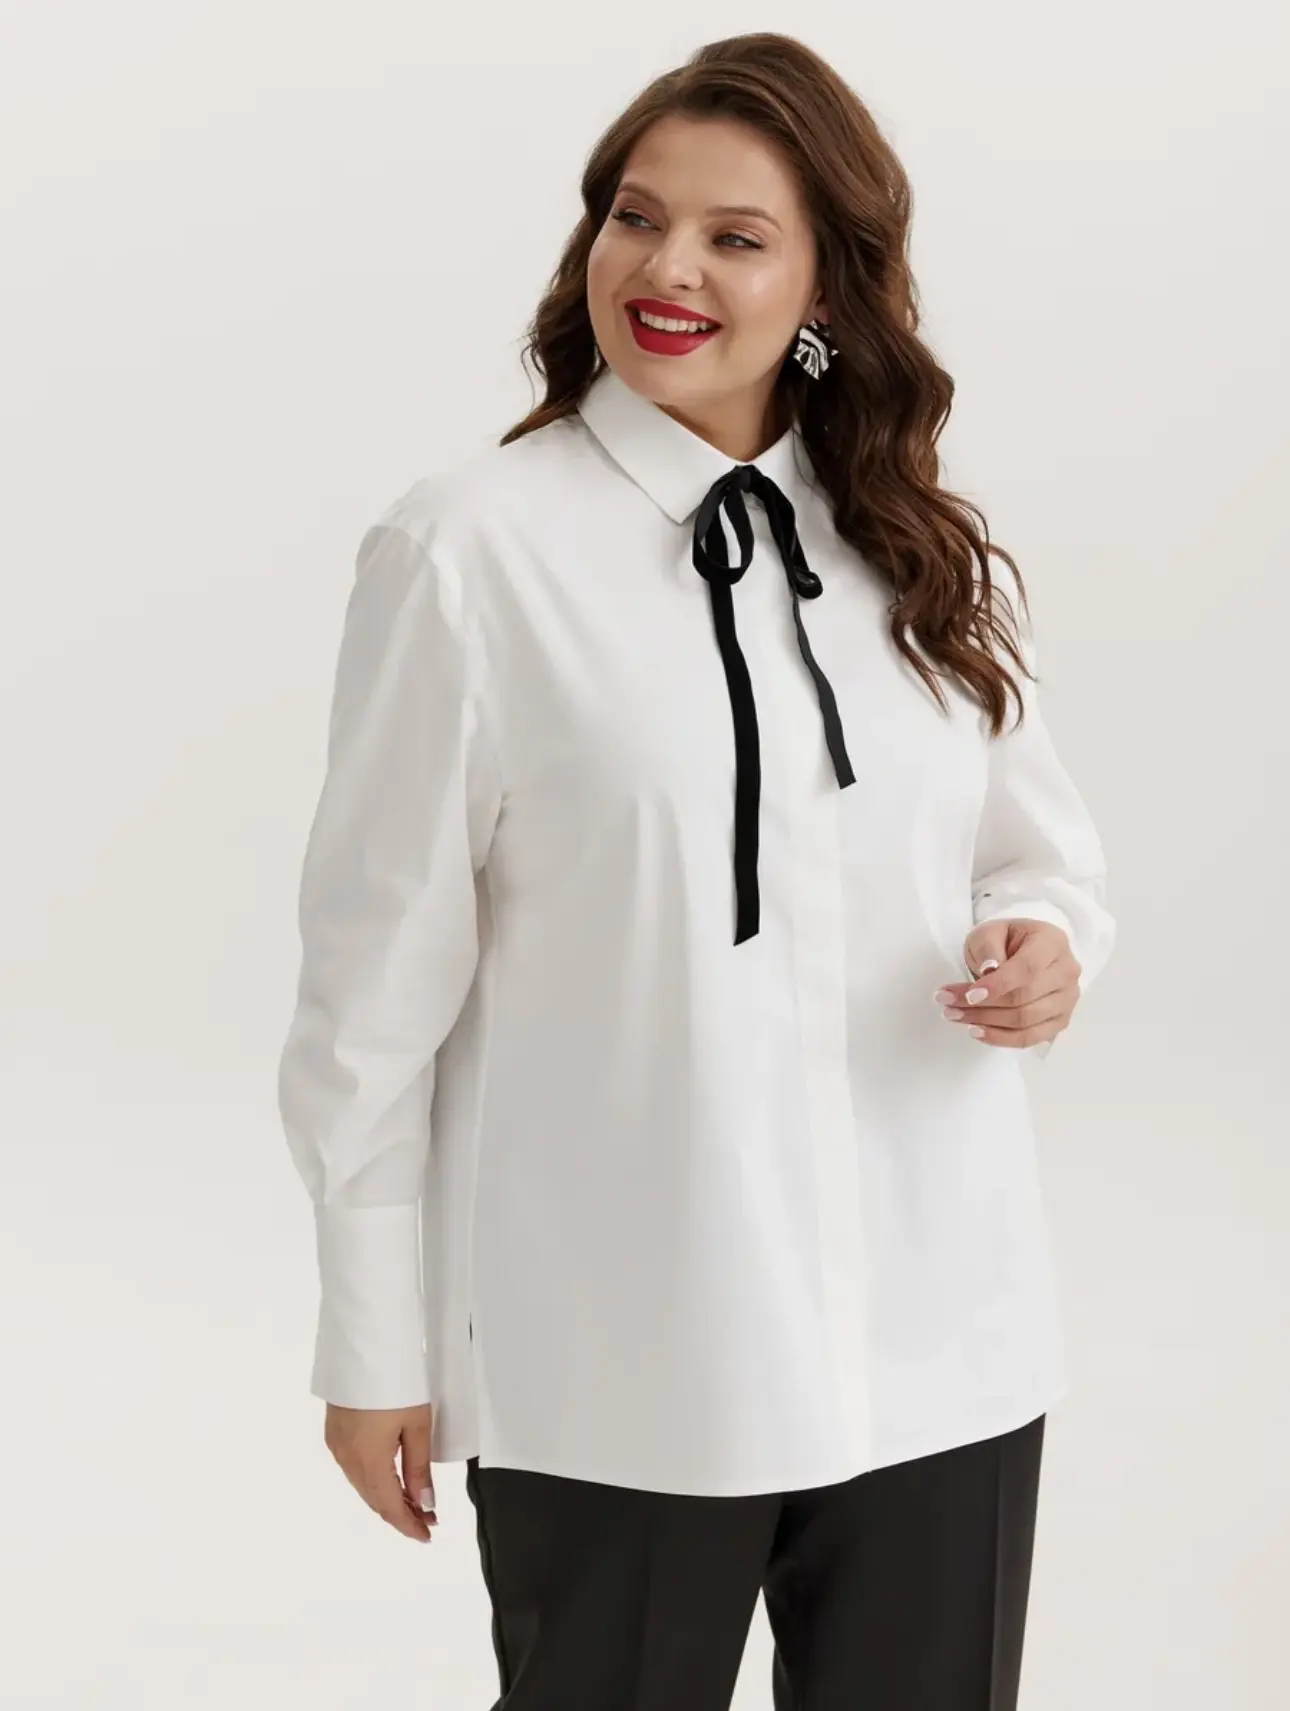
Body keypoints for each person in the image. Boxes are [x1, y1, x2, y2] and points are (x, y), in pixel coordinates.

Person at [276, 30, 1116, 1711]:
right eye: (635, 217)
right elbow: (370, 995)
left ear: (826, 286)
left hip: (940, 1333)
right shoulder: (468, 553)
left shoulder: (915, 545)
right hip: (624, 1357)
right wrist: (373, 1344)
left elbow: (1035, 850)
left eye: (734, 237)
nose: (665, 270)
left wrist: (1040, 939)